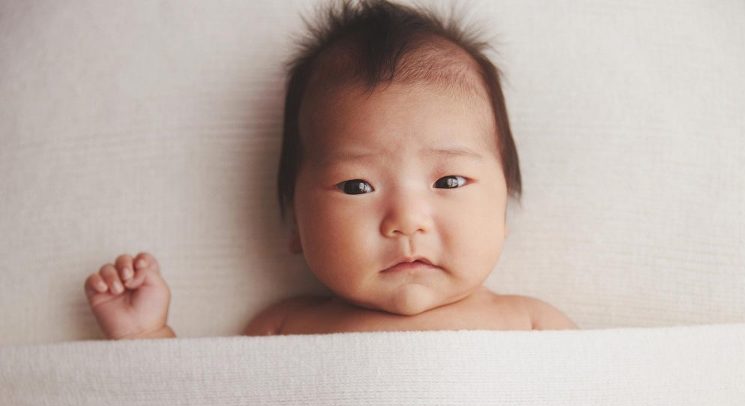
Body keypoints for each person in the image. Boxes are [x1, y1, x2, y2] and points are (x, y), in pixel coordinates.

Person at [83, 0, 577, 339]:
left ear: (502, 212)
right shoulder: (284, 328)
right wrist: (148, 337)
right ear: (297, 221)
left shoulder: (531, 324)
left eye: (448, 181)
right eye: (356, 185)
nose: (407, 220)